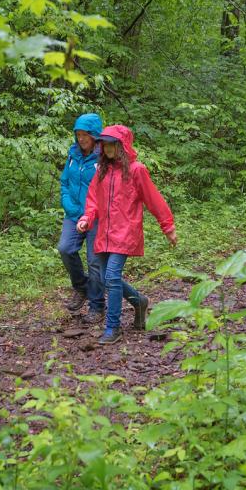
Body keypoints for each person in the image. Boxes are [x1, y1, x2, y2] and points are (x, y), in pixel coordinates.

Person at [77, 125, 177, 344]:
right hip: (104, 232)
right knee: (106, 278)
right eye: (104, 144)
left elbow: (153, 199)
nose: (107, 148)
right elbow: (93, 198)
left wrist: (167, 227)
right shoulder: (102, 170)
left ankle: (113, 327)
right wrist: (87, 218)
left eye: (112, 143)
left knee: (112, 276)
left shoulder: (136, 170)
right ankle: (139, 301)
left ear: (122, 145)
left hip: (125, 231)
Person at [58, 112, 105, 322]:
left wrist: (91, 212)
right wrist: (68, 204)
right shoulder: (73, 155)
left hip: (96, 216)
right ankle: (82, 288)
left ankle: (97, 306)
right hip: (74, 214)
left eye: (85, 134)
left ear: (94, 135)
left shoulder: (104, 157)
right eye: (78, 134)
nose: (81, 139)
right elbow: (65, 182)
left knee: (95, 262)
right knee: (65, 248)